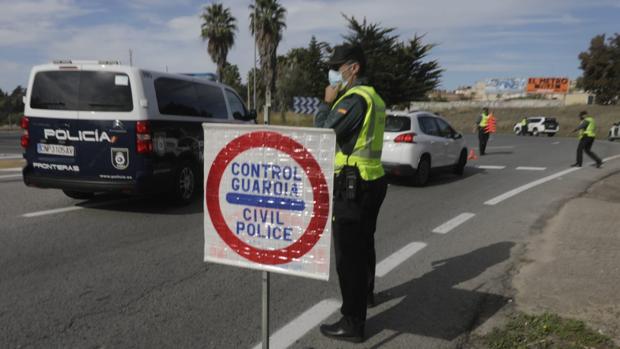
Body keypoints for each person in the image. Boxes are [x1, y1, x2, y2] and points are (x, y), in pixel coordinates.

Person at [314, 43, 388, 343]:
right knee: (364, 244)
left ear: (353, 67)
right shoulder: (375, 97)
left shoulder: (354, 99)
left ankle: (353, 321)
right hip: (372, 178)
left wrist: (326, 102)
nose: (334, 72)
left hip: (352, 184)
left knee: (348, 257)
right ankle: (366, 295)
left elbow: (322, 132)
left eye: (338, 66)